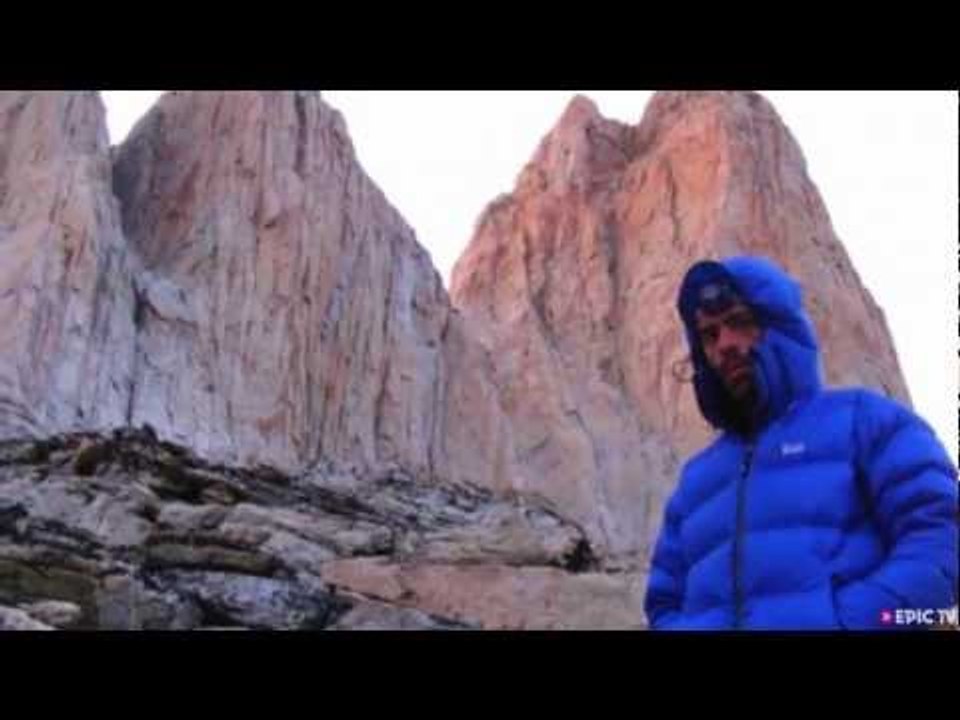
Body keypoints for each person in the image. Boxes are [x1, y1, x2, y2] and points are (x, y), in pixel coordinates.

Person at [644, 256, 958, 630]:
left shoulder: (867, 422)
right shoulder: (695, 482)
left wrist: (853, 621)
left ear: (780, 328)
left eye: (741, 323)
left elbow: (941, 536)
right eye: (709, 335)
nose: (725, 344)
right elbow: (664, 602)